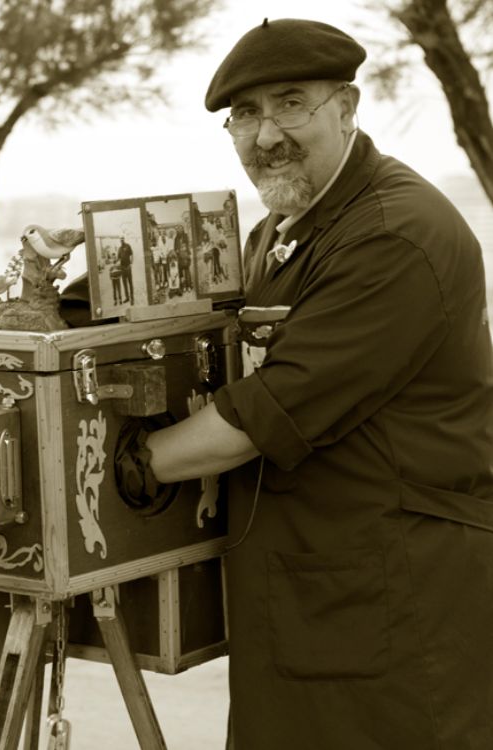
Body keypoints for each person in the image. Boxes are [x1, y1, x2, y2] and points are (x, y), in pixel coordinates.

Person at [122, 17, 493, 750]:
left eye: (291, 104)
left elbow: (267, 410)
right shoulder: (283, 230)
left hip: (397, 605)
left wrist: (132, 467)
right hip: (312, 598)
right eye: (246, 115)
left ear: (347, 107)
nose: (265, 136)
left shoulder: (393, 231)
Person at [118, 235, 134, 303]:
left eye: (122, 239)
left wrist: (131, 263)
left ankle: (132, 298)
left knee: (130, 283)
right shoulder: (119, 249)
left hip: (128, 267)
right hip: (122, 268)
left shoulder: (128, 246)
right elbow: (118, 258)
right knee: (124, 283)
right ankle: (127, 297)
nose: (121, 240)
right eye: (120, 239)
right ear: (120, 240)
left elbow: (132, 254)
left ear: (124, 239)